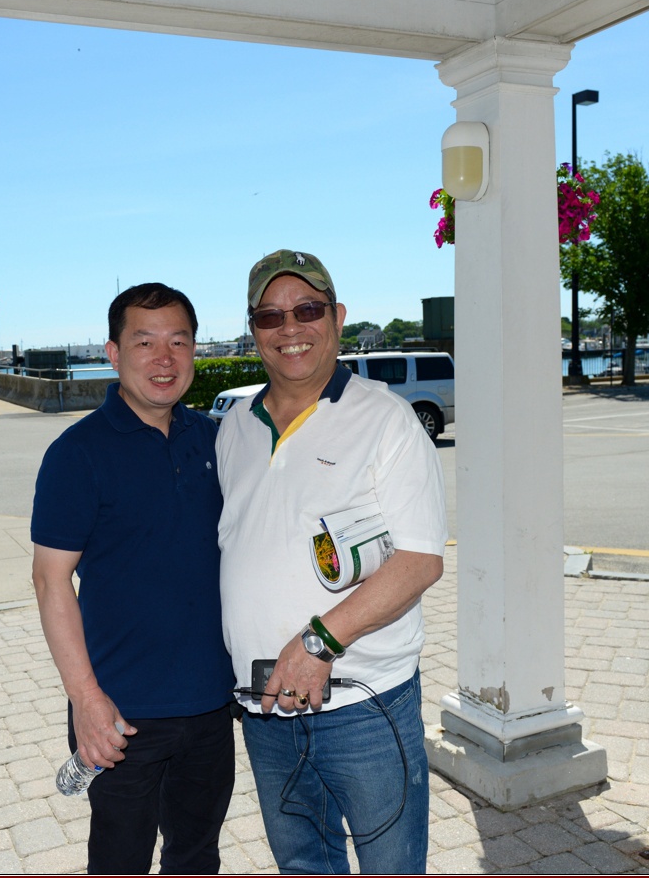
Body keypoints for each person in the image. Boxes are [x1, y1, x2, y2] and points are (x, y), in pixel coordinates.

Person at [217, 249, 448, 874]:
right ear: (253, 329)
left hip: (363, 707)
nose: (289, 327)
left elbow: (421, 561)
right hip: (265, 709)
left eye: (307, 310)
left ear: (337, 317)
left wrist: (318, 643)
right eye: (269, 316)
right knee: (303, 867)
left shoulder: (387, 420)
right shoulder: (235, 427)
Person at [30, 282, 236, 875]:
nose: (164, 358)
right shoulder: (77, 453)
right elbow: (50, 582)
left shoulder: (215, 440)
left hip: (209, 706)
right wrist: (86, 701)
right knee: (120, 863)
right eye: (145, 342)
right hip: (121, 716)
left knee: (196, 858)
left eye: (179, 342)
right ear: (114, 353)